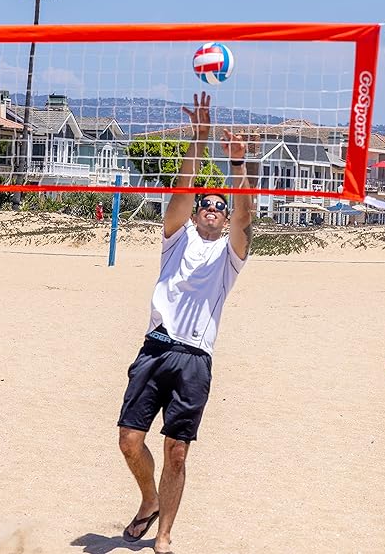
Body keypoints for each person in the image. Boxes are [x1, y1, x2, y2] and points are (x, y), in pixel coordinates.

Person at [117, 92, 254, 554]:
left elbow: (246, 218)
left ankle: (164, 533)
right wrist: (199, 138)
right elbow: (180, 190)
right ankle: (148, 498)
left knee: (177, 452)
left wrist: (238, 165)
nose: (213, 209)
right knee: (129, 442)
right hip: (155, 348)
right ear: (196, 215)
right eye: (206, 205)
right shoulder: (176, 240)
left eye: (219, 206)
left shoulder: (228, 257)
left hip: (195, 360)